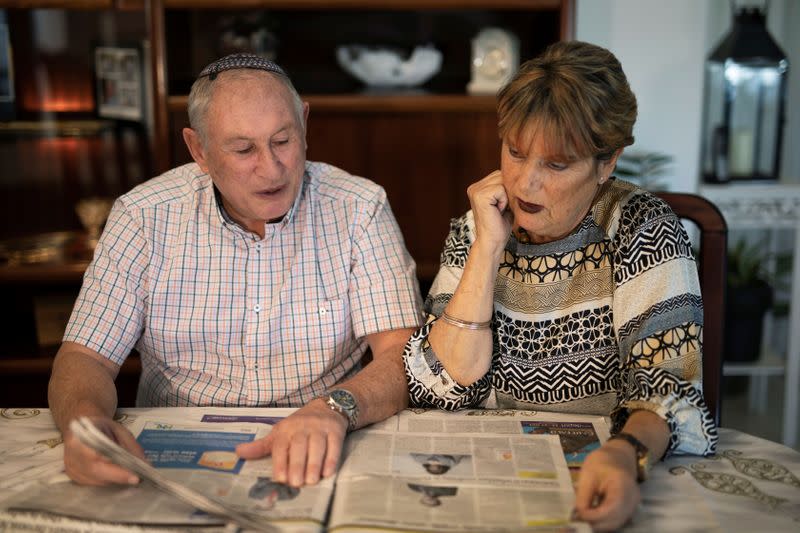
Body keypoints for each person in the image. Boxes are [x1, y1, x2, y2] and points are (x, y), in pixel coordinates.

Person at [48, 53, 423, 489]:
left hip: (322, 432)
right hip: (178, 445)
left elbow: (402, 353)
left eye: (282, 140)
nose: (272, 168)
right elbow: (85, 356)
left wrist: (336, 408)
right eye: (243, 149)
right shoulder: (143, 217)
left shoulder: (359, 207)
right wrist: (87, 425)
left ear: (304, 123)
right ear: (199, 150)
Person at [402, 41, 718, 532]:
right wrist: (487, 248)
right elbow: (440, 386)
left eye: (556, 164)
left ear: (607, 162)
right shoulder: (480, 224)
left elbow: (668, 391)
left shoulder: (640, 228)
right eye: (515, 153)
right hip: (485, 468)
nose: (525, 184)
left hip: (597, 465)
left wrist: (624, 454)